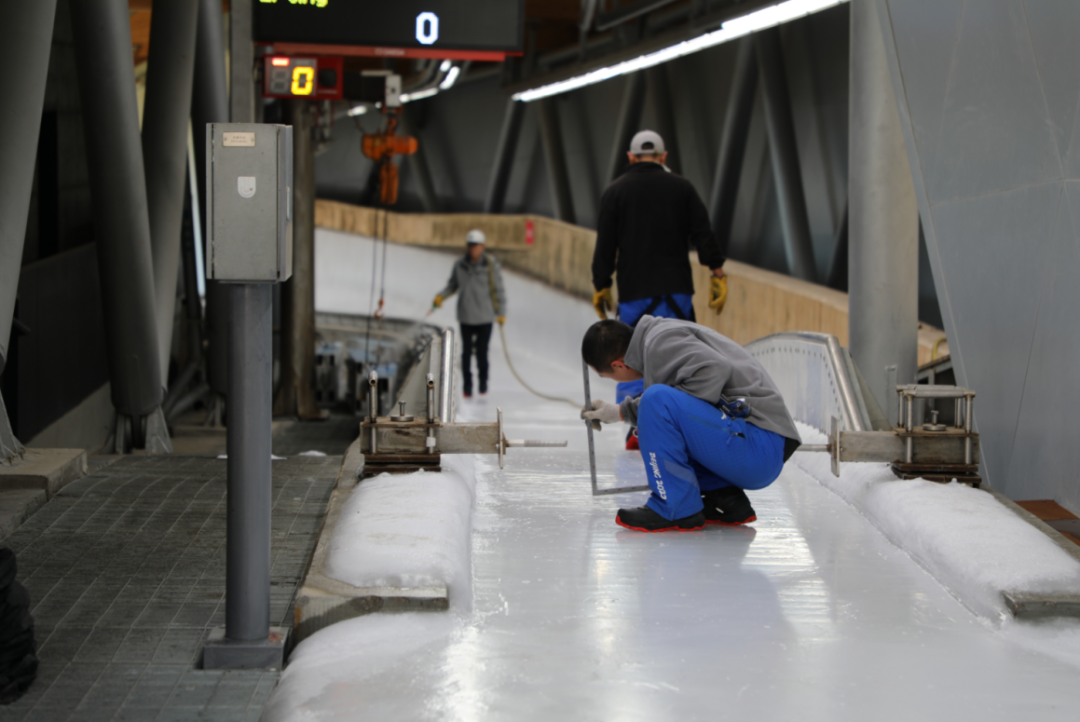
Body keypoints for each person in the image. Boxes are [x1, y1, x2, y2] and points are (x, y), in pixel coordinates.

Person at [581, 316, 802, 533]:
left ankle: (675, 506)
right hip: (759, 444)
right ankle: (722, 496)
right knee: (660, 404)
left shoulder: (659, 343)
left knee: (656, 399)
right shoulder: (659, 334)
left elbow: (715, 369)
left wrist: (638, 410)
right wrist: (621, 412)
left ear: (618, 365)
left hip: (759, 448)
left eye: (607, 376)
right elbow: (686, 407)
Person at [591, 129, 729, 449]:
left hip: (635, 293)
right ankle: (681, 421)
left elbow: (605, 245)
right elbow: (702, 233)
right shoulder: (682, 188)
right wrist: (717, 272)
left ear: (630, 157)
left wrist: (601, 284)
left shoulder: (615, 192)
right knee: (682, 354)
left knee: (631, 356)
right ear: (664, 157)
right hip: (675, 291)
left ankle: (635, 426)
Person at [432, 229, 507, 398]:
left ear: (483, 247)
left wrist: (501, 312)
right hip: (466, 315)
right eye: (470, 245)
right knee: (466, 353)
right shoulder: (460, 265)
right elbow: (452, 285)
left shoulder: (490, 265)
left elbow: (499, 290)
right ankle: (467, 386)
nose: (473, 249)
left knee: (481, 352)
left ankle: (482, 383)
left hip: (485, 316)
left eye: (476, 246)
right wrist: (440, 297)